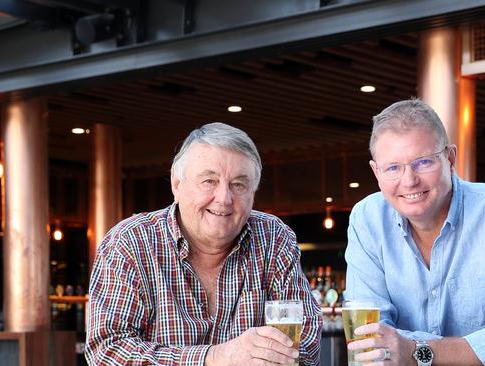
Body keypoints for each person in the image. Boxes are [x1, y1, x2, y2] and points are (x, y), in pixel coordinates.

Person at [85, 122, 322, 365]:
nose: (224, 198)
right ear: (177, 185)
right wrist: (214, 358)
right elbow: (106, 351)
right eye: (209, 181)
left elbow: (308, 339)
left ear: (253, 192)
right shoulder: (131, 242)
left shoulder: (273, 238)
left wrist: (279, 352)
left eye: (238, 184)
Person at [344, 99, 485, 366]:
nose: (409, 180)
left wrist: (413, 351)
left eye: (423, 162)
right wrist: (473, 349)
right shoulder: (367, 218)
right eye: (393, 167)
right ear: (376, 172)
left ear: (450, 158)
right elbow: (369, 336)